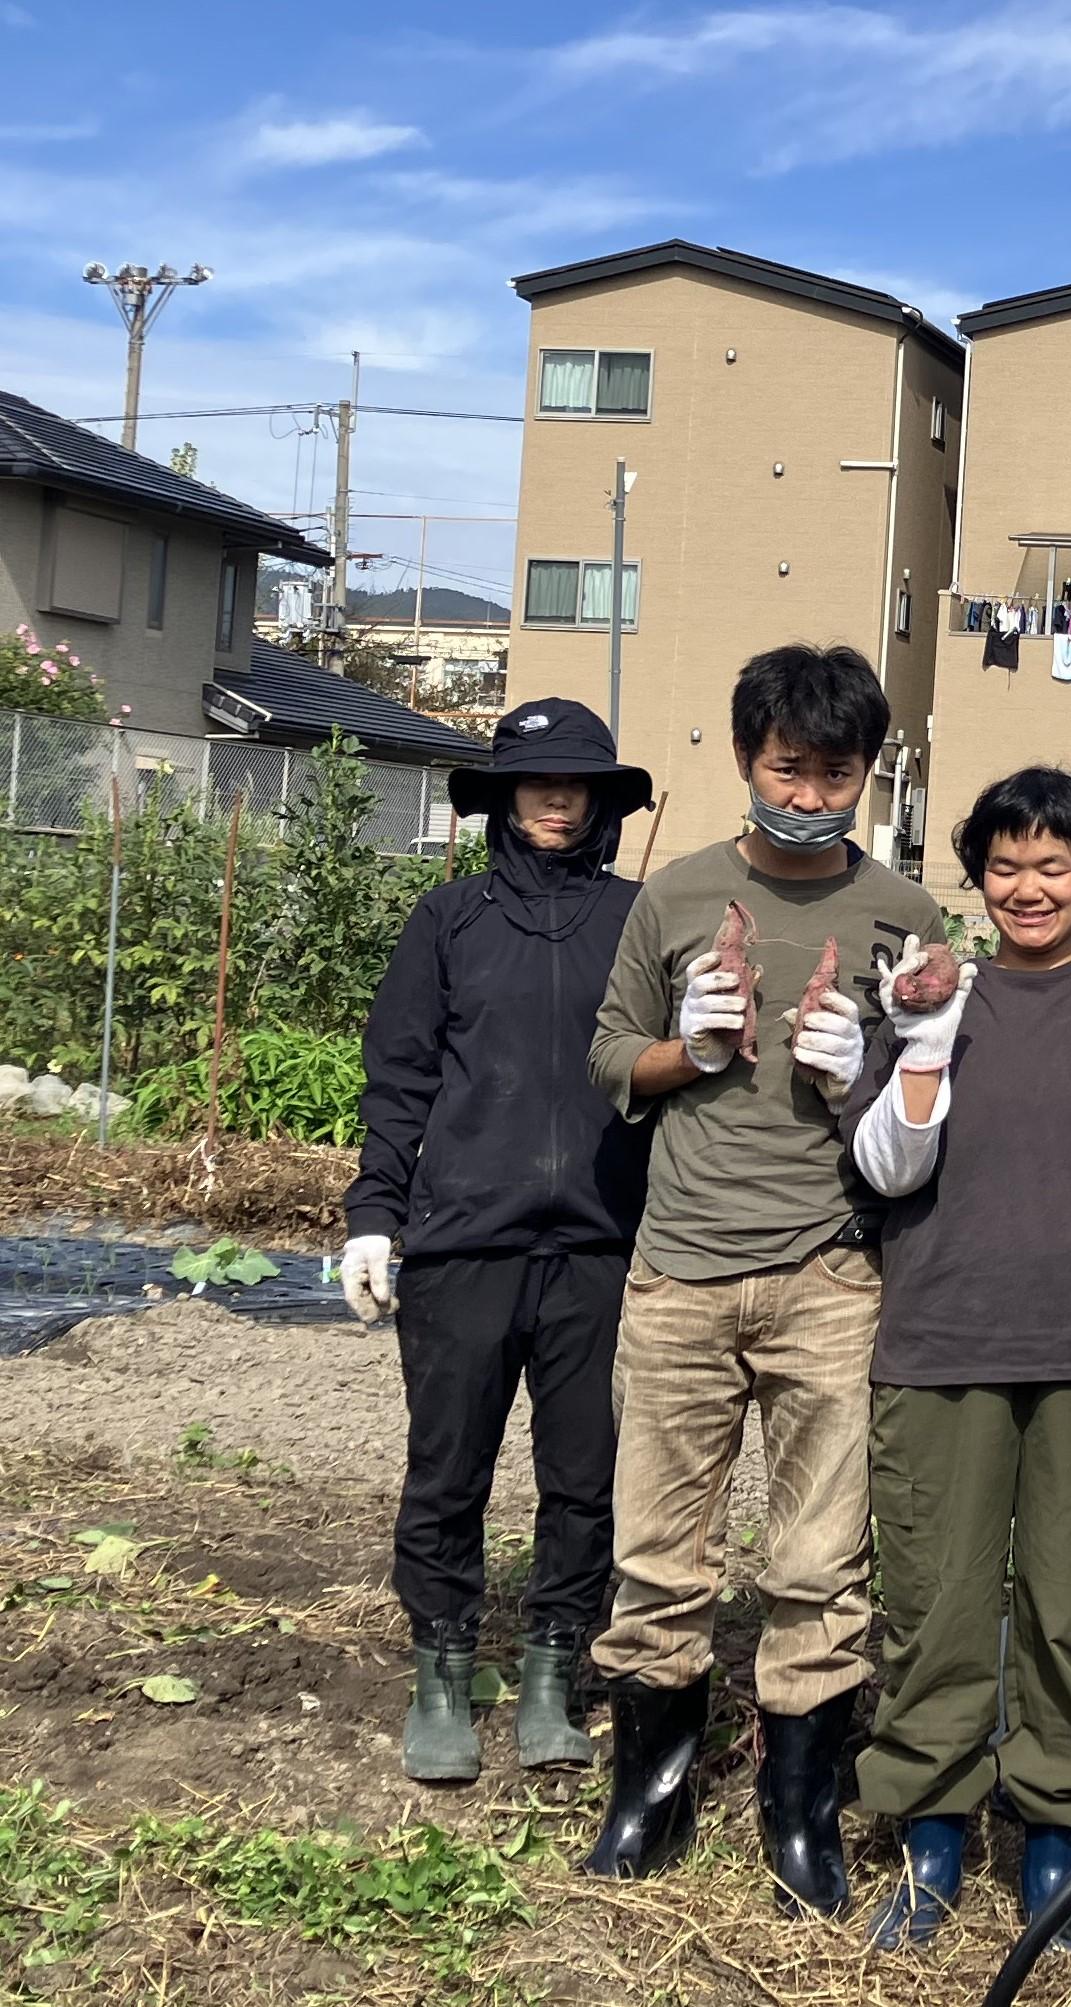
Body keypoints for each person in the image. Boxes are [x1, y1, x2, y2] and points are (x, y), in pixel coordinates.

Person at [579, 643, 943, 1919]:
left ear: (866, 773)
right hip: (677, 1269)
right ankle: (652, 1794)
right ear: (747, 760)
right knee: (658, 1554)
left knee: (818, 1559)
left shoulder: (905, 917)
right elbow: (610, 1062)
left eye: (835, 771)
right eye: (789, 766)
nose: (810, 790)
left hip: (829, 1269)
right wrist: (695, 1047)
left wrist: (865, 1070)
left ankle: (801, 1814)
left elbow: (931, 1096)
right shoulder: (673, 897)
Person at [843, 767, 1071, 1946]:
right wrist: (925, 1043)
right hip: (941, 1341)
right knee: (934, 1607)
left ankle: (1058, 1832)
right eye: (1005, 866)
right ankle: (934, 1835)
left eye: (1054, 866)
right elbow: (887, 1170)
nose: (1029, 888)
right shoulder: (931, 993)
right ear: (977, 879)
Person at [341, 697, 653, 1785]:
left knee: (586, 1474)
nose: (555, 801)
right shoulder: (450, 922)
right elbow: (402, 1078)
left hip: (601, 1246)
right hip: (464, 1240)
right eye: (535, 783)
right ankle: (441, 1670)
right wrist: (375, 1215)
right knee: (448, 1466)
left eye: (575, 785)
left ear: (602, 802)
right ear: (505, 800)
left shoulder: (639, 919)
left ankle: (554, 1671)